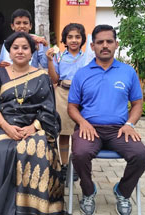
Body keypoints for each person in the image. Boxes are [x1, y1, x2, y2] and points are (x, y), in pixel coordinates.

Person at [68, 24, 145, 215]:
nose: (104, 45)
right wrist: (82, 122)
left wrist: (130, 124)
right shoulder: (82, 73)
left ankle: (122, 191)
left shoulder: (128, 72)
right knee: (79, 154)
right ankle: (88, 192)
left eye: (109, 41)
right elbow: (72, 107)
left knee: (141, 155)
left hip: (119, 130)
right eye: (100, 42)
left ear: (116, 44)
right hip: (89, 128)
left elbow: (137, 104)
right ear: (92, 46)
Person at [0, 32, 64, 215]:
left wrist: (33, 127)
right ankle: (4, 208)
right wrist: (6, 127)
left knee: (36, 149)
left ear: (32, 52)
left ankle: (33, 209)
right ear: (9, 52)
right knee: (2, 151)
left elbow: (49, 109)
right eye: (15, 48)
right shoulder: (0, 74)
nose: (20, 51)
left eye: (25, 48)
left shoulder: (42, 76)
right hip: (4, 125)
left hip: (35, 125)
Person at [46, 23, 87, 181]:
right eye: (70, 37)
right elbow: (54, 79)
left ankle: (76, 166)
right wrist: (50, 61)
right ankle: (63, 166)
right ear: (65, 39)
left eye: (77, 36)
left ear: (82, 39)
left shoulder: (87, 57)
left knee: (78, 133)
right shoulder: (59, 56)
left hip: (82, 97)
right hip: (62, 94)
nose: (74, 40)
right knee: (63, 133)